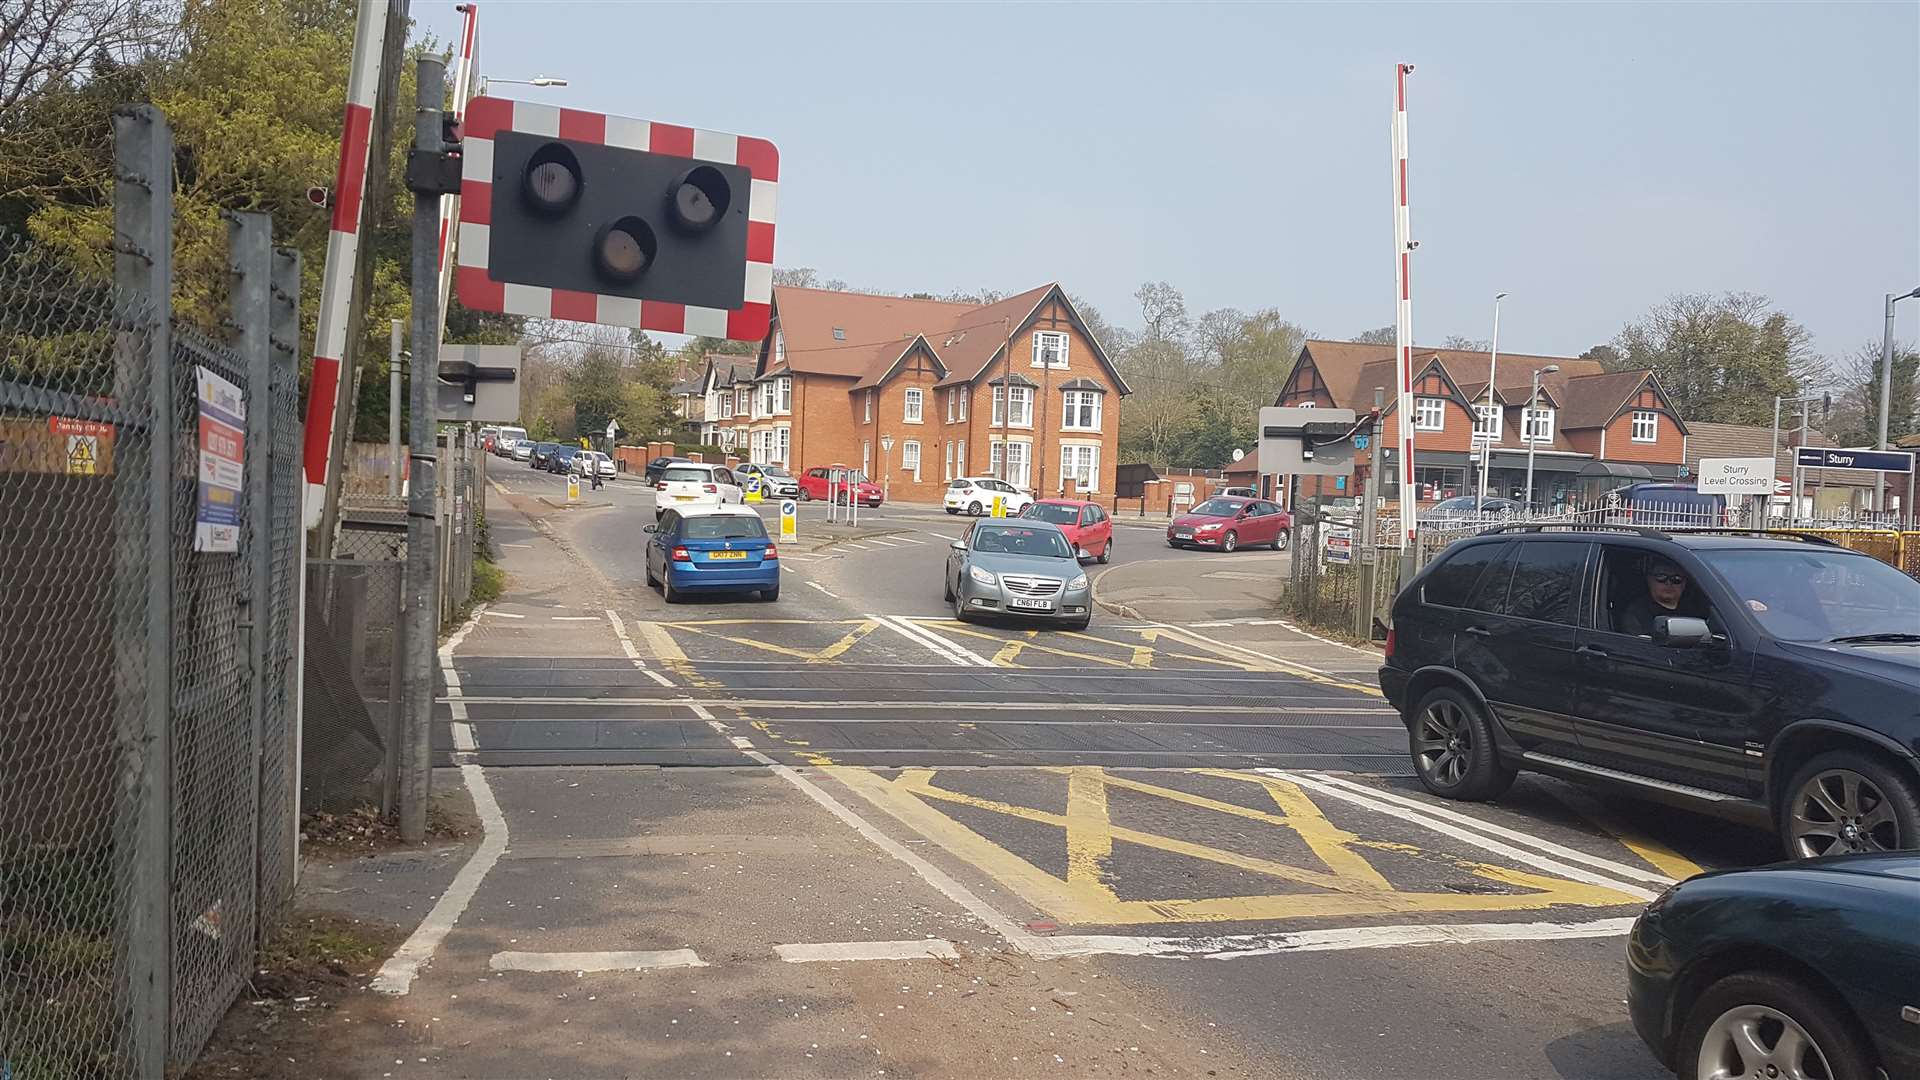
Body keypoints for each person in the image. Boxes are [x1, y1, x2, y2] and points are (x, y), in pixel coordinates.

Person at [1615, 555, 1706, 637]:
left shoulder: (1697, 610)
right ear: (1649, 579)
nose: (1668, 583)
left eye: (1676, 579)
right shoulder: (1636, 613)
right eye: (1661, 577)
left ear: (1685, 583)